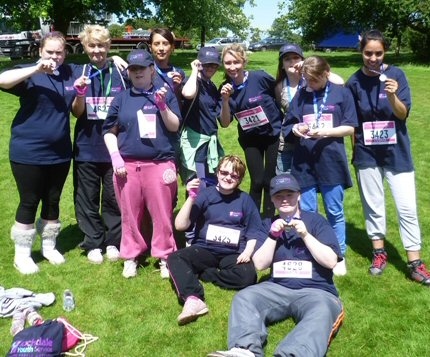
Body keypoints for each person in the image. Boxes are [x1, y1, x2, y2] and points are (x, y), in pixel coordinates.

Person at [208, 173, 344, 357]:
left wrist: (305, 235)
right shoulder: (267, 224)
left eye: (289, 194)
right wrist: (272, 236)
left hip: (317, 291)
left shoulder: (316, 221)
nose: (285, 199)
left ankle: (293, 354)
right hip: (278, 287)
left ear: (299, 195)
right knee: (245, 297)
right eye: (279, 195)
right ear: (272, 199)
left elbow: (330, 261)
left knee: (322, 311)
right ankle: (245, 350)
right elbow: (260, 264)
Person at [346, 29, 430, 285]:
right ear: (361, 51)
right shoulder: (354, 82)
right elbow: (352, 122)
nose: (373, 58)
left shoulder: (397, 75)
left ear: (385, 52)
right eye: (368, 53)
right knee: (374, 206)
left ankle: (415, 262)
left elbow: (403, 115)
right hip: (367, 154)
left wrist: (392, 95)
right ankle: (379, 253)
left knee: (407, 207)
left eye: (378, 53)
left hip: (397, 153)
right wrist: (356, 152)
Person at [0, 31, 81, 274]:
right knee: (29, 200)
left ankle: (48, 246)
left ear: (65, 53)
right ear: (40, 51)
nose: (54, 57)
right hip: (28, 151)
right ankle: (22, 255)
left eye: (59, 52)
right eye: (50, 52)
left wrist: (117, 60)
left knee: (53, 200)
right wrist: (36, 69)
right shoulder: (29, 73)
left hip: (60, 151)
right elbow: (2, 79)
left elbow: (99, 60)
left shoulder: (70, 72)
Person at [102, 49, 181, 279]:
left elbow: (175, 126)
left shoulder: (165, 93)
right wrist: (115, 156)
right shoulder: (121, 98)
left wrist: (163, 106)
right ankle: (131, 255)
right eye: (133, 69)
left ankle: (165, 255)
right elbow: (109, 131)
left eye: (142, 68)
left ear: (152, 70)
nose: (137, 73)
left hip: (159, 164)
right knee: (129, 214)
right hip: (127, 166)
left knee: (162, 214)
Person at [169, 155, 266, 326]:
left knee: (248, 278)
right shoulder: (205, 195)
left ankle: (207, 274)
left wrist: (247, 252)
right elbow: (180, 225)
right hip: (205, 249)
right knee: (175, 258)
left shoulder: (245, 200)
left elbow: (254, 231)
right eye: (224, 172)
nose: (228, 177)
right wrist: (191, 198)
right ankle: (194, 298)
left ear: (240, 179)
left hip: (234, 253)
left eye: (234, 175)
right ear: (217, 172)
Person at [283, 56, 357, 276]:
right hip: (304, 161)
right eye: (306, 80)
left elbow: (350, 127)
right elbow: (290, 123)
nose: (310, 85)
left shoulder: (341, 93)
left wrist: (324, 131)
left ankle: (339, 254)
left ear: (327, 74)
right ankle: (311, 253)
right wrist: (296, 129)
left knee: (335, 210)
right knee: (308, 211)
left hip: (330, 161)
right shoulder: (302, 93)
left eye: (314, 80)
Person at [71, 25, 129, 264]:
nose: (97, 50)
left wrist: (119, 59)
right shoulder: (79, 71)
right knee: (87, 196)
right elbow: (76, 112)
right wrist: (80, 93)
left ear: (108, 47)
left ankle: (114, 240)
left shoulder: (120, 71)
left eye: (102, 45)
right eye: (92, 46)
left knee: (114, 197)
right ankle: (93, 241)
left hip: (116, 147)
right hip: (87, 146)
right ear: (85, 47)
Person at [220, 44, 283, 217]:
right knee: (257, 181)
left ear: (244, 62)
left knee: (270, 180)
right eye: (227, 63)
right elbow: (225, 123)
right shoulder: (225, 88)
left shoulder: (260, 77)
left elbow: (279, 94)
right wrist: (225, 100)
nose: (232, 67)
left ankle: (269, 220)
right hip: (251, 139)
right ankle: (253, 222)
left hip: (272, 136)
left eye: (236, 62)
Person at [275, 43, 345, 174]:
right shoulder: (279, 86)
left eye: (296, 58)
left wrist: (310, 68)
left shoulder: (312, 79)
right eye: (287, 59)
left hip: (313, 140)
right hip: (288, 143)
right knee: (287, 186)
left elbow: (340, 82)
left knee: (310, 186)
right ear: (282, 65)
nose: (292, 62)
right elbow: (283, 113)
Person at [179, 46, 224, 183]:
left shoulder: (211, 86)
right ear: (199, 64)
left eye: (214, 65)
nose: (210, 68)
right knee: (197, 186)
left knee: (211, 184)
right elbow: (187, 94)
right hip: (195, 144)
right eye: (206, 64)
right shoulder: (192, 81)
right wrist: (194, 71)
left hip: (210, 144)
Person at [150, 28, 186, 107]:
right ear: (150, 47)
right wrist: (116, 58)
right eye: (156, 44)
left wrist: (178, 88)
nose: (161, 48)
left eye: (165, 44)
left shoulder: (178, 73)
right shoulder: (145, 71)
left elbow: (182, 102)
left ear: (172, 47)